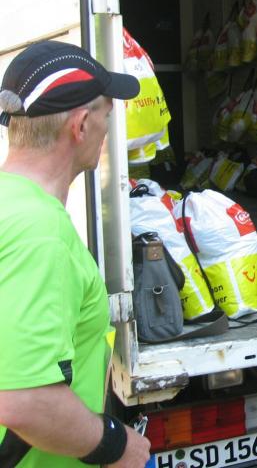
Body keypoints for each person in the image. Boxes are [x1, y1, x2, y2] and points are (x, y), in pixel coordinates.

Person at [0, 41, 151, 467]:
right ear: (81, 125)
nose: (108, 130)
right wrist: (117, 444)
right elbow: (24, 400)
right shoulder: (39, 232)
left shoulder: (10, 203)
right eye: (107, 116)